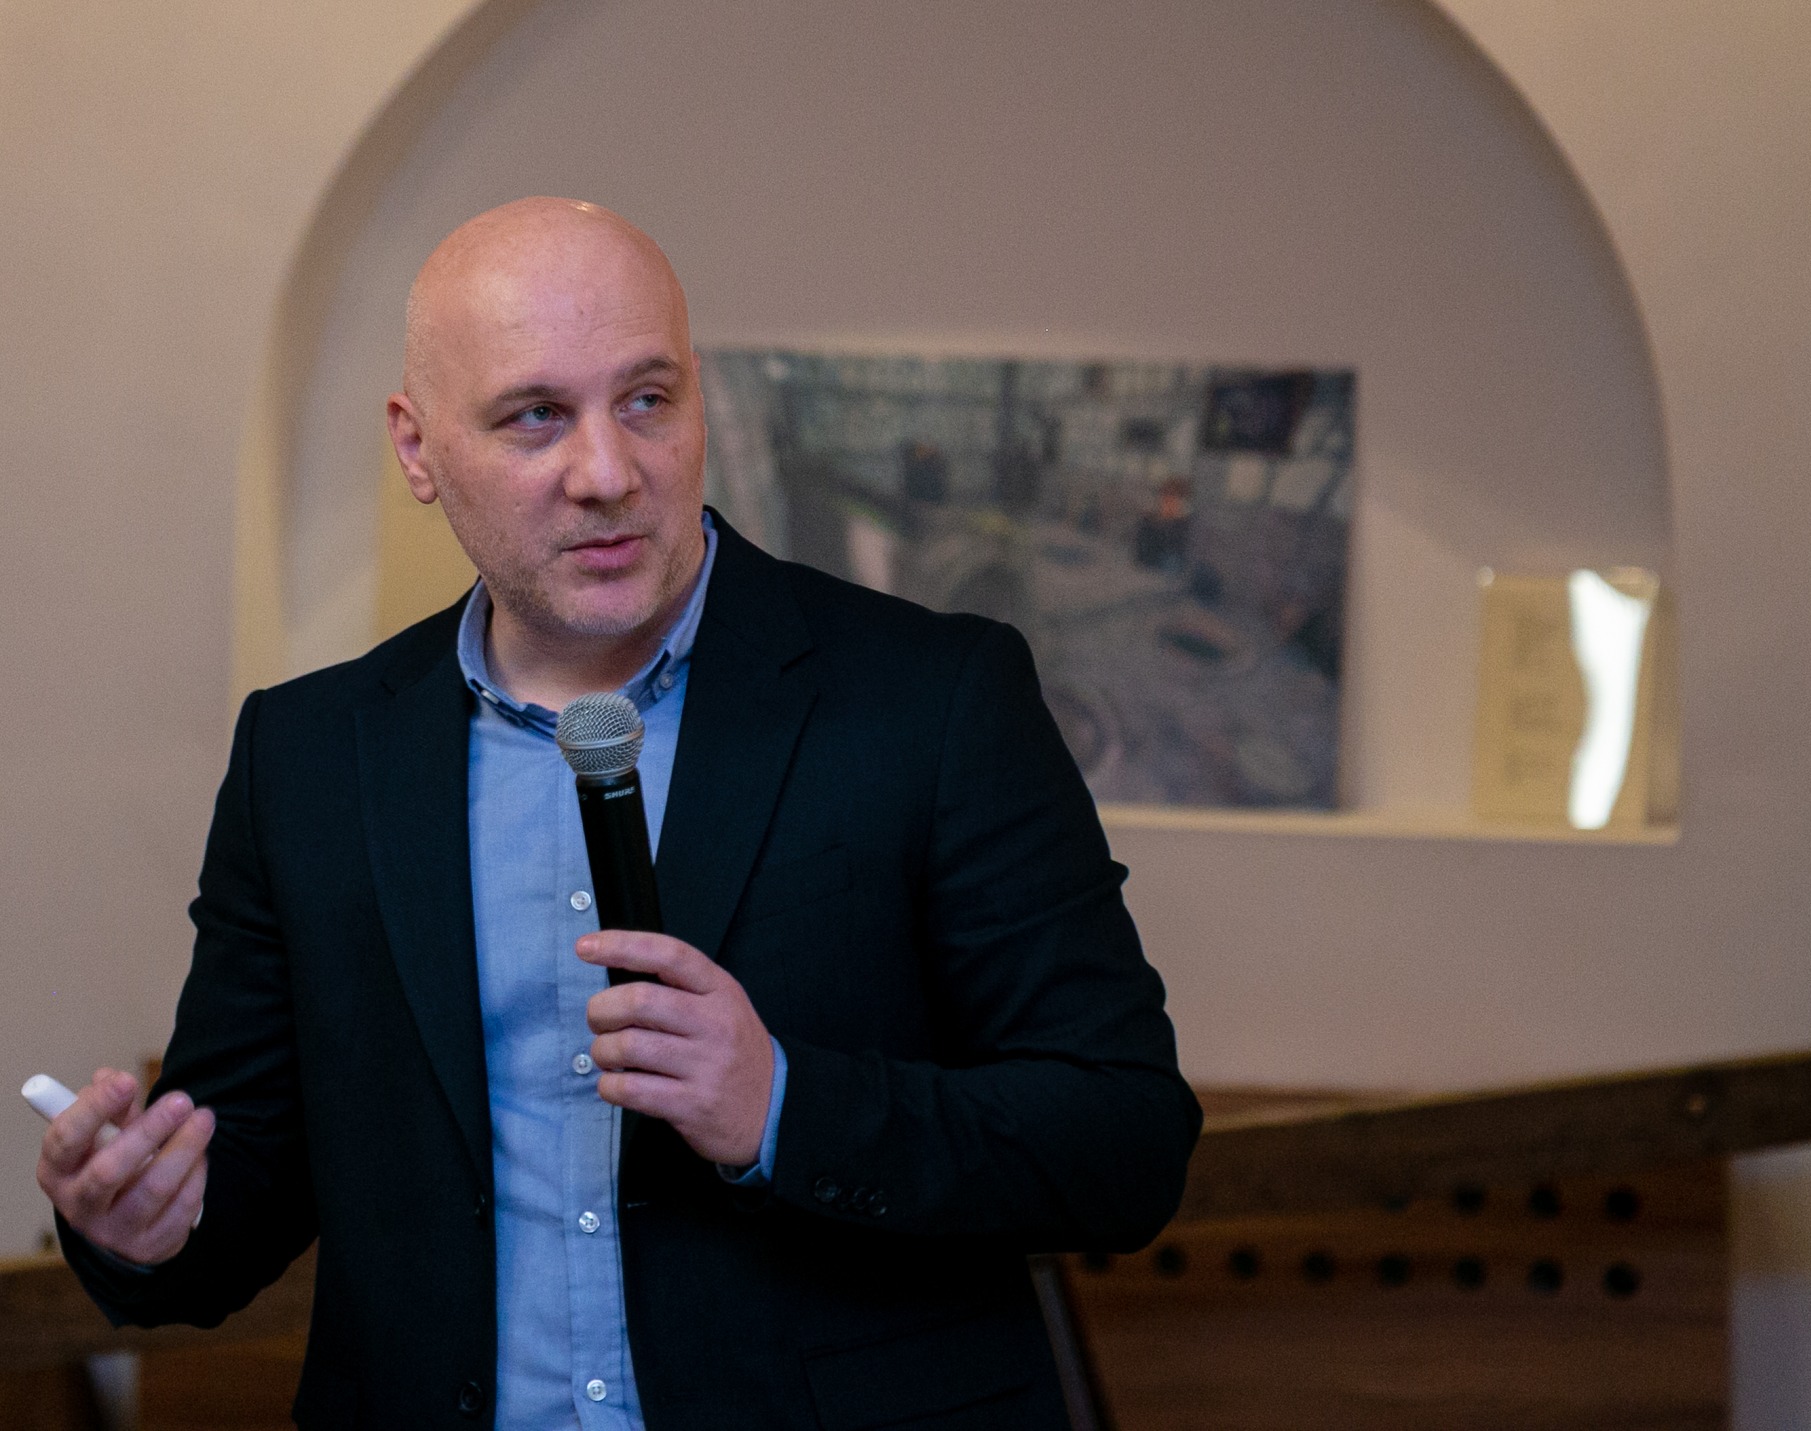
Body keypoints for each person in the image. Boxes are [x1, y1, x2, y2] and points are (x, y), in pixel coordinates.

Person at [36, 198, 1200, 1429]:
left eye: (646, 400)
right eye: (535, 416)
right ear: (417, 448)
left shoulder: (933, 700)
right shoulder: (310, 756)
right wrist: (137, 1221)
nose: (607, 474)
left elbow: (1122, 1142)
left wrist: (781, 1105)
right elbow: (239, 1196)